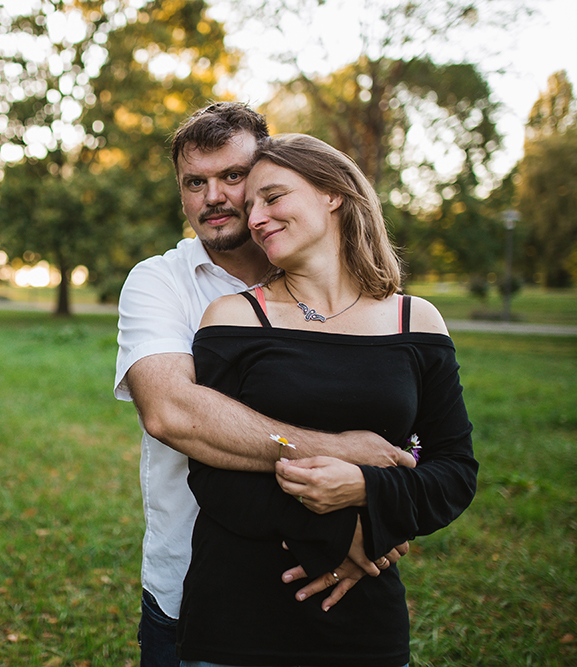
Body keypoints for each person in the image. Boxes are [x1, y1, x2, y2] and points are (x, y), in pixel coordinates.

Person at [115, 103, 416, 667]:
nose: (213, 197)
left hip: (349, 586)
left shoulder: (338, 288)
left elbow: (410, 434)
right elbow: (170, 414)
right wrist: (349, 455)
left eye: (233, 176)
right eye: (194, 182)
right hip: (199, 586)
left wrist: (385, 511)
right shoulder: (160, 282)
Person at [176, 133, 479, 666]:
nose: (257, 219)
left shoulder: (416, 320)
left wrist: (364, 488)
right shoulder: (234, 317)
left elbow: (453, 472)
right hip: (238, 620)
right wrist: (345, 533)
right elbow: (210, 471)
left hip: (364, 625)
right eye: (251, 209)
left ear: (333, 192)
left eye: (272, 197)